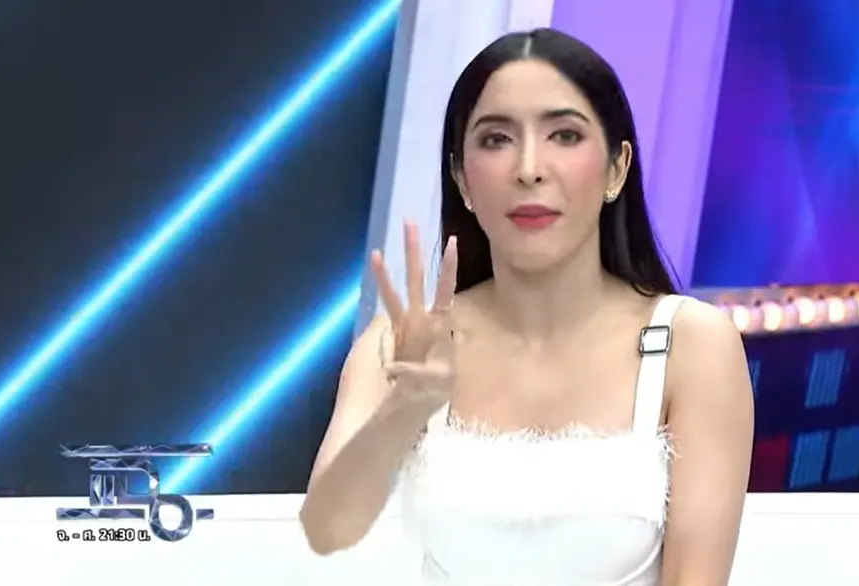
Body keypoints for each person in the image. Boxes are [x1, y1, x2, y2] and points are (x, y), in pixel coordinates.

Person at [301, 28, 754, 586]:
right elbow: (328, 528)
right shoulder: (403, 343)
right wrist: (403, 411)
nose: (529, 168)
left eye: (565, 135)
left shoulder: (693, 345)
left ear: (617, 168)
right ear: (462, 178)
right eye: (496, 139)